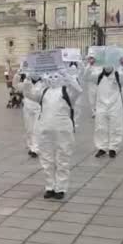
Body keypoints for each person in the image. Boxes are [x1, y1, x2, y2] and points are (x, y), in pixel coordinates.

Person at [22, 72, 82, 200]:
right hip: (44, 128)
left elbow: (78, 90)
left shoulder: (67, 91)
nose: (53, 79)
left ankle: (61, 187)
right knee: (47, 159)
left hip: (63, 129)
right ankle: (50, 186)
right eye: (51, 76)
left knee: (63, 158)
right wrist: (28, 78)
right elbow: (28, 94)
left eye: (56, 76)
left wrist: (68, 76)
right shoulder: (44, 91)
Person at [92, 63, 123, 158]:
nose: (107, 66)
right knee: (100, 127)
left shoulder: (118, 75)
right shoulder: (98, 75)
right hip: (101, 105)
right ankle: (102, 147)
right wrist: (90, 64)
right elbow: (85, 76)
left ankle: (113, 147)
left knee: (116, 126)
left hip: (115, 105)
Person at [13, 68, 43, 157]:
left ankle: (36, 148)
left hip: (39, 108)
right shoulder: (26, 83)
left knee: (36, 128)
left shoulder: (44, 83)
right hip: (27, 108)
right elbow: (16, 85)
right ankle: (31, 146)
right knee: (29, 129)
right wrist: (17, 74)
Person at [82, 54, 101, 118]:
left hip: (99, 84)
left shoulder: (99, 67)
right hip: (91, 85)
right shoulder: (87, 67)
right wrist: (89, 65)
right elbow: (85, 76)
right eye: (90, 59)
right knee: (92, 100)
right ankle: (93, 112)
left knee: (99, 99)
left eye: (92, 58)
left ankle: (99, 111)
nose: (91, 60)